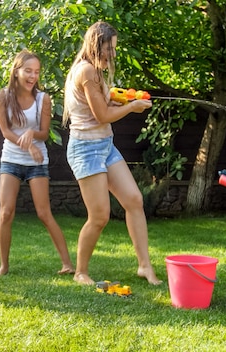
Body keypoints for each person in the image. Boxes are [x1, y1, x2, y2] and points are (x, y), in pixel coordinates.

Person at [62, 21, 161, 285]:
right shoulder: (86, 72)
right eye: (109, 48)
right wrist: (133, 107)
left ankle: (144, 266)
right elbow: (102, 115)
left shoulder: (94, 71)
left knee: (133, 199)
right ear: (97, 44)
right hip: (86, 150)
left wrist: (123, 98)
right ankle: (80, 272)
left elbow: (103, 104)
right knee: (99, 216)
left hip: (105, 146)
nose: (112, 54)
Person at [0, 50, 75, 277]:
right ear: (16, 71)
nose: (32, 76)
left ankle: (68, 263)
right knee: (6, 212)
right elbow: (6, 132)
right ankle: (4, 266)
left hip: (38, 161)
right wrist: (27, 144)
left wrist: (32, 134)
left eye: (36, 72)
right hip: (11, 158)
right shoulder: (2, 97)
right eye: (28, 71)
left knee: (44, 213)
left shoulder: (43, 99)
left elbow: (44, 133)